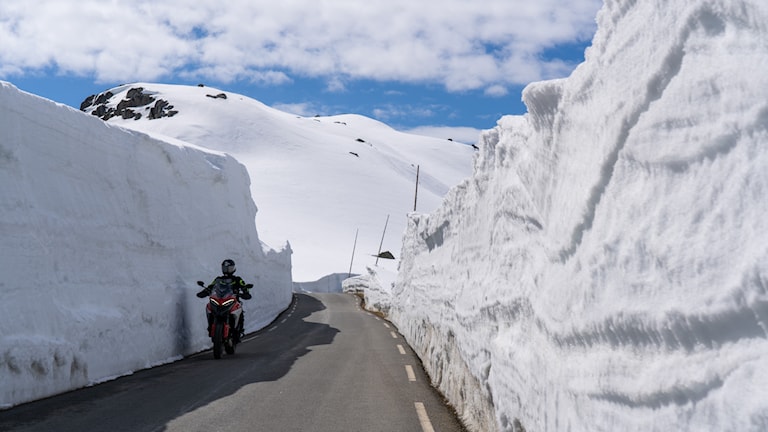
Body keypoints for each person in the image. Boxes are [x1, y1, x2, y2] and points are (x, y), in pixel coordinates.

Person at [196, 259, 253, 341]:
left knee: (240, 310)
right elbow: (211, 286)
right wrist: (205, 291)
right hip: (220, 300)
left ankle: (238, 331)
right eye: (225, 268)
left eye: (229, 268)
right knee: (209, 307)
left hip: (233, 301)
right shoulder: (218, 279)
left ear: (233, 268)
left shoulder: (237, 279)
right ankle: (211, 327)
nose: (227, 270)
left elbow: (243, 286)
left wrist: (245, 292)